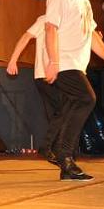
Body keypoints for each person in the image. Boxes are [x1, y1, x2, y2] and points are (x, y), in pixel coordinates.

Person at [44, 0, 104, 181]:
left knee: (72, 106)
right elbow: (50, 28)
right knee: (86, 99)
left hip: (76, 64)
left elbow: (92, 35)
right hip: (64, 63)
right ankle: (63, 155)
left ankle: (64, 159)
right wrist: (53, 62)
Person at [6, 15, 63, 166]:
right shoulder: (45, 19)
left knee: (56, 113)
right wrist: (13, 60)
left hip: (59, 74)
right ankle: (49, 146)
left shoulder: (66, 19)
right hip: (45, 74)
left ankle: (58, 150)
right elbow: (26, 36)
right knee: (62, 111)